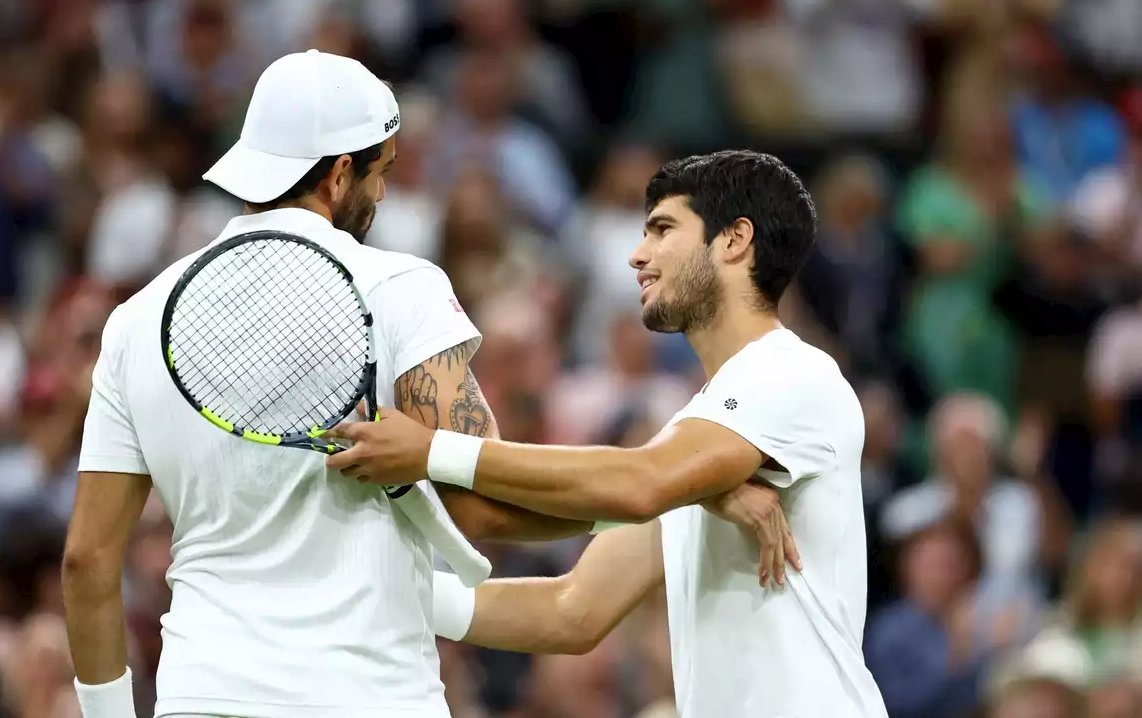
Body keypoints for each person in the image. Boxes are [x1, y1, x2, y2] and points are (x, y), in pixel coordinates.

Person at [60, 51, 797, 718]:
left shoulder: (135, 321)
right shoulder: (398, 287)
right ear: (340, 171)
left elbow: (88, 560)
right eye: (378, 173)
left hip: (203, 695)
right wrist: (677, 490)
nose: (380, 197)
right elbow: (486, 505)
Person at [326, 151, 891, 717]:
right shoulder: (695, 440)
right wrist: (388, 591)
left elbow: (640, 483)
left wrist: (432, 451)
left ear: (734, 240)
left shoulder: (790, 373)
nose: (637, 255)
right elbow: (572, 610)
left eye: (663, 230)